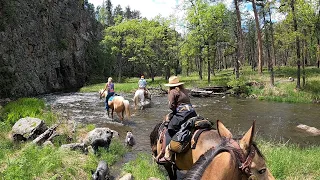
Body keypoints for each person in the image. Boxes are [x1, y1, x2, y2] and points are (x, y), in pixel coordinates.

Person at [158, 76, 197, 163]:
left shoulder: (172, 91)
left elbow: (171, 106)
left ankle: (167, 155)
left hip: (182, 114)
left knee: (170, 129)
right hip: (192, 112)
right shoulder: (184, 90)